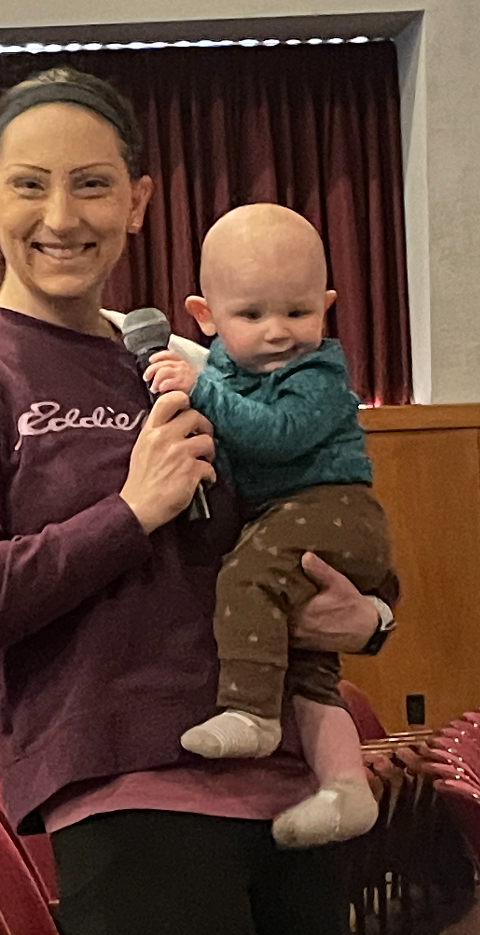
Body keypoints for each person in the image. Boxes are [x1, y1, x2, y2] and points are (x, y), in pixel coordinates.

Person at [0, 66, 397, 935]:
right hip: (128, 799)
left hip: (289, 788)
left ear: (137, 201)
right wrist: (129, 512)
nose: (61, 217)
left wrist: (373, 614)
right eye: (29, 185)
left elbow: (311, 506)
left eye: (92, 184)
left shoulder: (188, 361)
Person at [144, 203, 391, 849]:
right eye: (252, 315)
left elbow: (275, 435)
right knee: (309, 673)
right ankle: (344, 787)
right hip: (298, 518)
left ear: (327, 306)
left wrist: (200, 388)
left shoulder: (317, 371)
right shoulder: (226, 369)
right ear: (206, 316)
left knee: (247, 574)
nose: (279, 332)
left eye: (298, 311)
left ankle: (251, 713)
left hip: (333, 509)